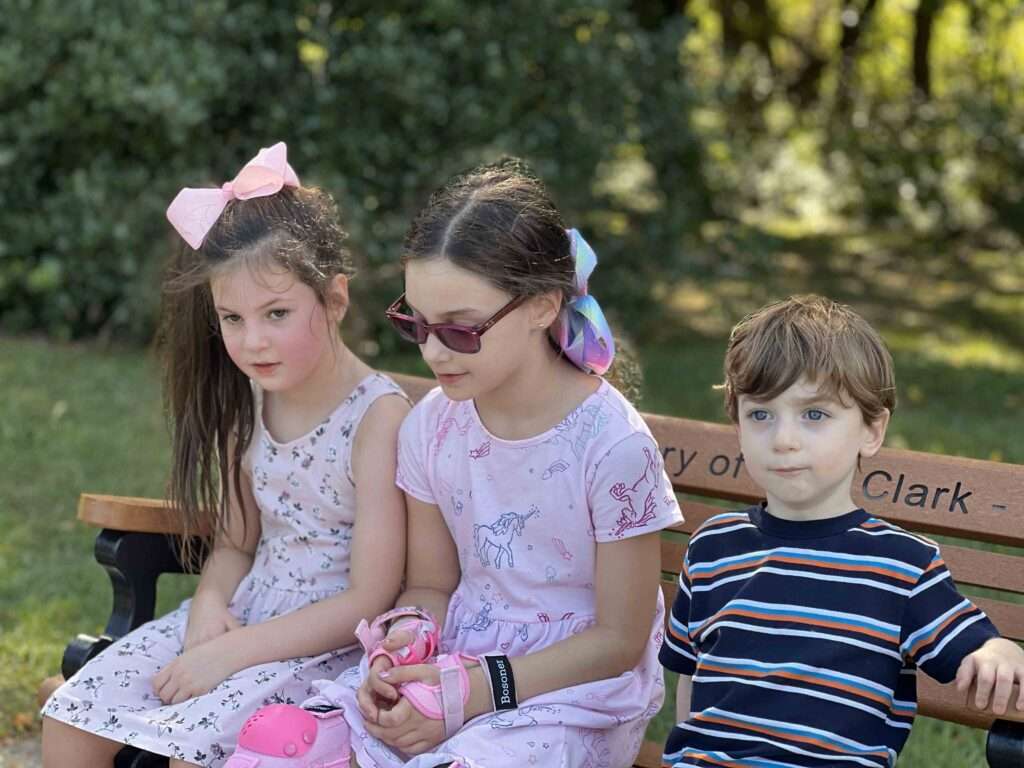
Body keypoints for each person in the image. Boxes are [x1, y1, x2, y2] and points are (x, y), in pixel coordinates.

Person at [224, 159, 685, 768]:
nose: (435, 351)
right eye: (417, 324)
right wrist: (400, 650)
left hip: (570, 697)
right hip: (451, 669)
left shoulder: (613, 448)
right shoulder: (432, 429)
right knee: (283, 748)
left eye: (462, 331)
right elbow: (433, 585)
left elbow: (619, 642)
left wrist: (475, 691)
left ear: (543, 306)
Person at [41, 143, 410, 768]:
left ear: (336, 298)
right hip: (239, 617)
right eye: (231, 318)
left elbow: (369, 597)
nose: (252, 340)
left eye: (277, 313)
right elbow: (237, 545)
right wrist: (210, 607)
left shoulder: (377, 417)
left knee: (198, 751)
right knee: (68, 720)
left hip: (323, 650)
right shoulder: (253, 400)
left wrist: (232, 653)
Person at [659, 295, 1024, 768]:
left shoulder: (901, 566)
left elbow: (972, 645)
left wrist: (1000, 649)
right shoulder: (712, 547)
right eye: (760, 414)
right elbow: (691, 679)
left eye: (814, 415)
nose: (783, 439)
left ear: (872, 430)